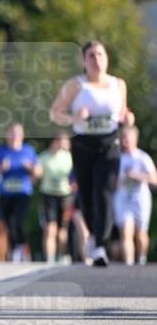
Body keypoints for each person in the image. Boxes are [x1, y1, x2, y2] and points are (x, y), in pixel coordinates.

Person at [50, 40, 133, 266]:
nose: (97, 59)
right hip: (83, 146)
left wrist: (128, 117)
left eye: (100, 54)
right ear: (84, 60)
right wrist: (74, 118)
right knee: (87, 198)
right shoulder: (76, 85)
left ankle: (100, 246)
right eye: (91, 56)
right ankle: (95, 237)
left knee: (105, 193)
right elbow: (55, 113)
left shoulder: (118, 84)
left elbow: (123, 111)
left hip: (110, 144)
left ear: (107, 58)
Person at [0, 122, 40, 262]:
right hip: (5, 194)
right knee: (8, 224)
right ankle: (16, 249)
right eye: (12, 133)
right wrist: (0, 168)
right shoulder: (0, 152)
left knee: (17, 221)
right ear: (7, 135)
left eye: (17, 133)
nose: (14, 136)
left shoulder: (28, 151)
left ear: (22, 135)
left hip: (23, 194)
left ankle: (21, 248)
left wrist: (31, 168)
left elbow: (39, 172)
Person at [113, 125, 156, 265]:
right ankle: (129, 264)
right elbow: (112, 183)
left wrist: (137, 176)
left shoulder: (143, 158)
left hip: (140, 198)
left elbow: (154, 179)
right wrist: (121, 181)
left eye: (127, 137)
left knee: (141, 233)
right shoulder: (118, 159)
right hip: (123, 198)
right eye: (123, 137)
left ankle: (142, 258)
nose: (125, 140)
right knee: (126, 232)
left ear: (135, 139)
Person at [38, 132, 73, 263]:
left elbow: (75, 177)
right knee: (50, 229)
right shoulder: (44, 157)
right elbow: (37, 174)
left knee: (62, 230)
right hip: (48, 196)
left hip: (65, 197)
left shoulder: (69, 157)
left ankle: (61, 255)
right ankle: (50, 259)